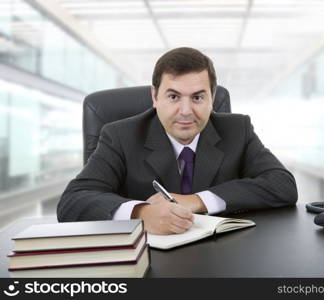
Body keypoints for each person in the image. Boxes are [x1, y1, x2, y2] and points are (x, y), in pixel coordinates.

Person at [57, 47, 298, 235]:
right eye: (173, 96)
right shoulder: (120, 135)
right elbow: (73, 201)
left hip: (220, 259)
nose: (185, 111)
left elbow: (283, 185)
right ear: (155, 96)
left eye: (197, 97)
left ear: (212, 98)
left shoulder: (237, 129)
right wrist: (141, 213)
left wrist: (197, 201)